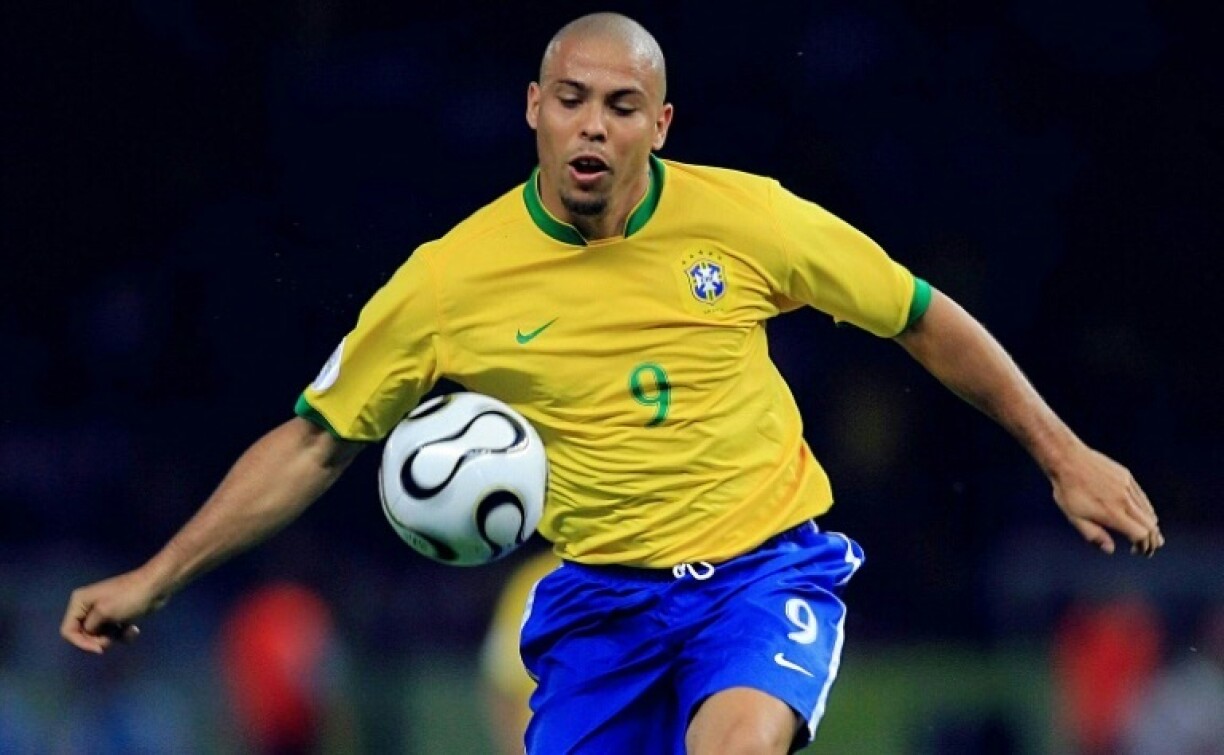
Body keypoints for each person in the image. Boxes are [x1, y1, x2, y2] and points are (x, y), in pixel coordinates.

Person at [62, 12, 1164, 754]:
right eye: (574, 99)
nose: (595, 123)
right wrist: (156, 576)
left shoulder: (749, 219)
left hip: (759, 571)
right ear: (533, 106)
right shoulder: (449, 281)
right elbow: (317, 440)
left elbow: (922, 317)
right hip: (601, 602)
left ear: (660, 123)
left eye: (622, 106)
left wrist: (1064, 452)